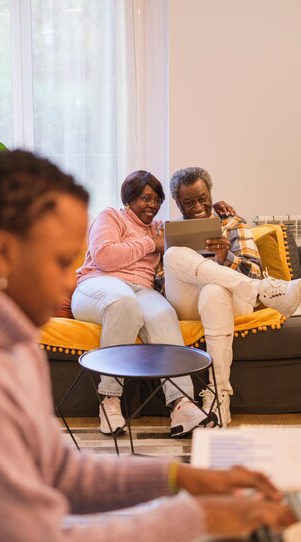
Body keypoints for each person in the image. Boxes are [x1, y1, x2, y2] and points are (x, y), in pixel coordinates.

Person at [0, 150, 295, 542]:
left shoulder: (9, 338)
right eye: (63, 260)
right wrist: (194, 519)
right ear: (1, 253)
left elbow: (60, 475)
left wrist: (180, 480)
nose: (72, 279)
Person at [72, 170, 217, 438]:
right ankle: (110, 401)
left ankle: (181, 403)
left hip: (141, 290)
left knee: (163, 312)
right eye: (145, 198)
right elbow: (105, 257)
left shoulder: (160, 228)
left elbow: (192, 228)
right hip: (97, 285)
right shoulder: (111, 216)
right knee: (123, 302)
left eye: (156, 200)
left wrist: (220, 210)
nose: (151, 205)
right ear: (129, 198)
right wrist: (151, 244)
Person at [164, 167, 301, 426]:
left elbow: (253, 270)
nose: (197, 206)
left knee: (214, 290)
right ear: (177, 202)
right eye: (189, 202)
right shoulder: (171, 231)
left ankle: (219, 397)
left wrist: (225, 258)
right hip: (187, 303)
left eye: (202, 198)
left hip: (230, 302)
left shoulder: (232, 224)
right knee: (172, 255)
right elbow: (163, 281)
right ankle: (265, 291)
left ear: (211, 194)